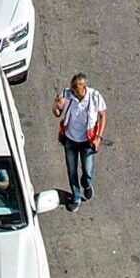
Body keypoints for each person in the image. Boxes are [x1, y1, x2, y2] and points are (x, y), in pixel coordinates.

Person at [51, 73, 104, 208]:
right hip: (70, 140)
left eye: (75, 87)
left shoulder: (95, 96)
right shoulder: (66, 95)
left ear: (84, 87)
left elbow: (102, 115)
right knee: (72, 170)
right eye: (71, 86)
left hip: (87, 140)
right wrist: (56, 105)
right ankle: (75, 196)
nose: (72, 90)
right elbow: (57, 114)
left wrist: (98, 138)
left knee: (87, 170)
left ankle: (86, 183)